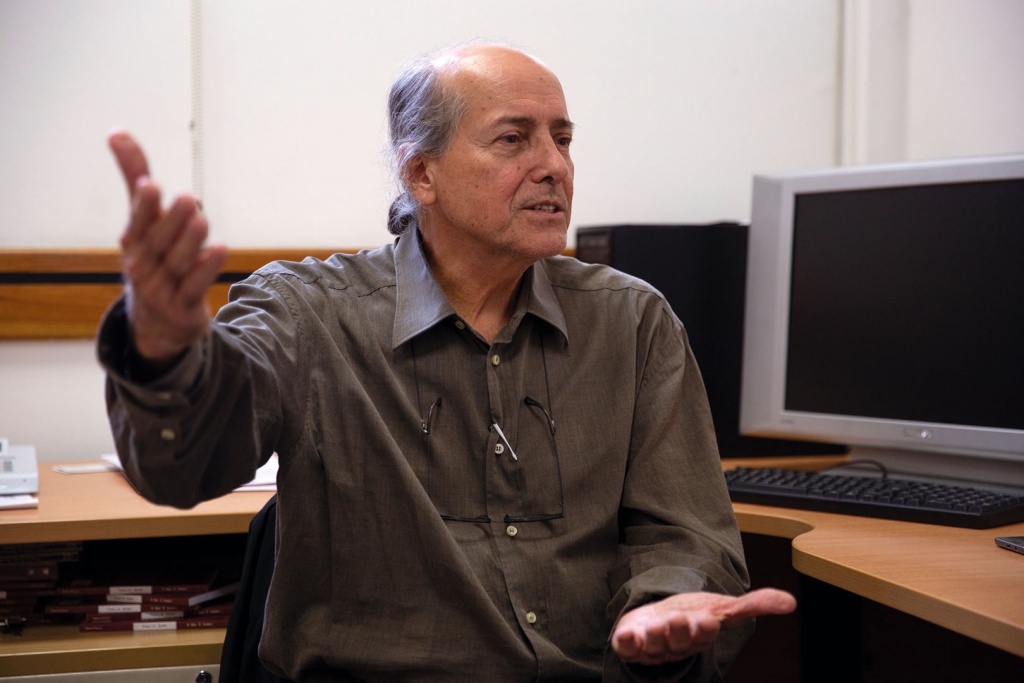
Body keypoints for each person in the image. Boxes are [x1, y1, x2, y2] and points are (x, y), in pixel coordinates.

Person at [98, 41, 795, 682]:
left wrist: (663, 606)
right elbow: (181, 464)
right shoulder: (305, 311)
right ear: (421, 173)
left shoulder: (632, 321)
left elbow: (685, 532)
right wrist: (163, 353)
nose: (554, 164)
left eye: (563, 138)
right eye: (514, 139)